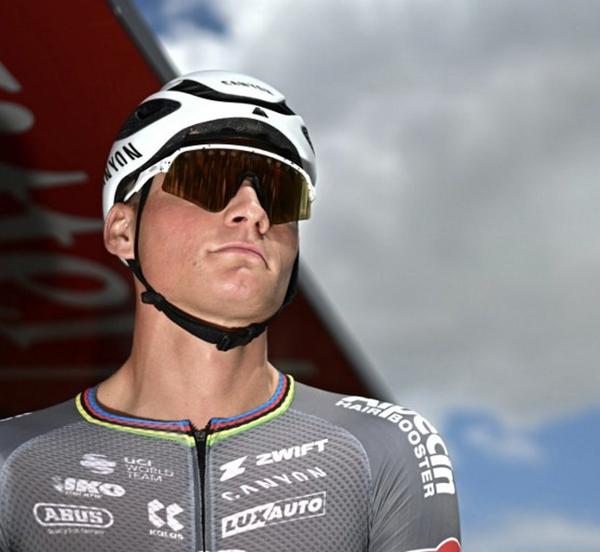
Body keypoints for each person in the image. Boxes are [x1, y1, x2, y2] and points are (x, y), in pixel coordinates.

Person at [0, 70, 460, 552]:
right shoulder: (12, 464)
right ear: (122, 230)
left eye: (281, 195)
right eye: (207, 177)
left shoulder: (383, 446)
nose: (254, 211)